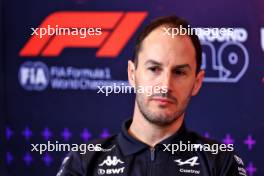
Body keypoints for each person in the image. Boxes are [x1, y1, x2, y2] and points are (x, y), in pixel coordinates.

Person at [57, 16, 247, 176]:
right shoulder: (85, 161)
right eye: (154, 69)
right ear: (132, 73)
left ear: (197, 82)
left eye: (179, 72)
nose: (165, 86)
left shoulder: (220, 161)